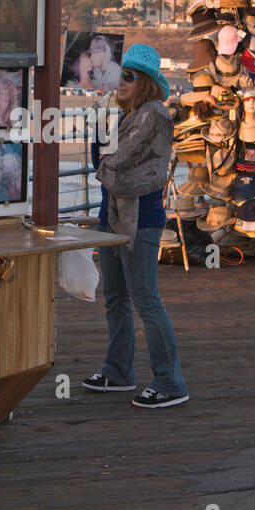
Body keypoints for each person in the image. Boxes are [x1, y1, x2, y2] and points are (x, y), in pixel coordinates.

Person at [83, 43, 188, 409]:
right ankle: (118, 371)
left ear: (144, 82)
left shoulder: (153, 115)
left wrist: (104, 156)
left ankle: (170, 382)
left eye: (127, 77)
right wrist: (101, 136)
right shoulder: (127, 117)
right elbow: (104, 165)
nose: (120, 83)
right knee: (115, 298)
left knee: (146, 300)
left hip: (140, 219)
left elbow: (116, 167)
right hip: (111, 217)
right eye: (119, 76)